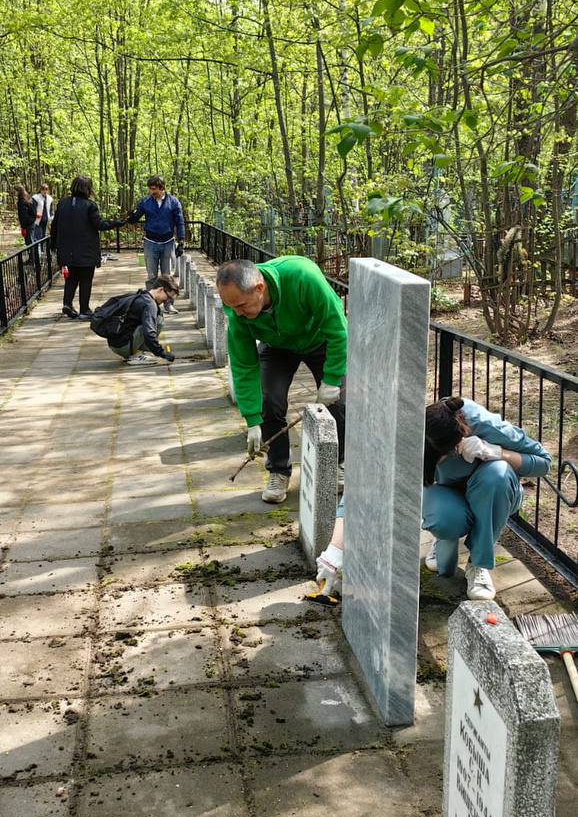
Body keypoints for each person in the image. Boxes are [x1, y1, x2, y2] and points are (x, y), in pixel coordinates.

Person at [315, 395, 551, 604]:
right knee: (444, 536)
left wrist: (496, 452)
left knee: (496, 475)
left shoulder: (481, 423)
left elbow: (543, 463)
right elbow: (362, 486)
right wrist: (335, 552)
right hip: (444, 494)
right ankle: (443, 539)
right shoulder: (407, 433)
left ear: (452, 447)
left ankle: (478, 564)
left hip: (492, 492)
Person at [216, 256, 347, 504]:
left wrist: (331, 379)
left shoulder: (302, 276)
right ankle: (278, 470)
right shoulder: (238, 316)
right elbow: (244, 367)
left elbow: (337, 327)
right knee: (270, 402)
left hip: (319, 339)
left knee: (340, 403)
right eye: (231, 307)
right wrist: (252, 420)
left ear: (259, 288)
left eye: (241, 306)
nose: (237, 313)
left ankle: (339, 463)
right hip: (277, 346)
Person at [50, 176, 125, 319]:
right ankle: (84, 310)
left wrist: (53, 244)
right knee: (85, 279)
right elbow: (99, 225)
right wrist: (116, 223)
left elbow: (54, 226)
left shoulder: (62, 204)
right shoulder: (90, 205)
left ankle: (67, 304)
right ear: (87, 189)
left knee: (71, 278)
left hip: (67, 250)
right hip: (86, 251)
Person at [127, 176, 185, 314]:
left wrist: (181, 241)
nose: (152, 191)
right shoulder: (145, 202)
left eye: (154, 189)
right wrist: (131, 216)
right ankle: (150, 305)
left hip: (168, 242)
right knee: (151, 275)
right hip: (150, 242)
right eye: (150, 189)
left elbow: (180, 222)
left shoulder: (173, 202)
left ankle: (168, 304)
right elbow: (135, 218)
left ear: (161, 188)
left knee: (167, 276)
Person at [101, 275, 178, 365]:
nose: (167, 301)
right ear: (160, 290)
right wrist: (162, 353)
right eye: (168, 297)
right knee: (158, 320)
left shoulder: (142, 294)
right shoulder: (150, 305)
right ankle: (138, 355)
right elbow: (149, 333)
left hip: (115, 344)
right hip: (123, 347)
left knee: (154, 317)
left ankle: (138, 352)